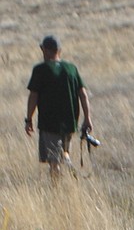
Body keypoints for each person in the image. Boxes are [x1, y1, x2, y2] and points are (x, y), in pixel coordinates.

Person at [24, 35, 95, 183]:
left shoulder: (40, 69)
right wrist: (87, 118)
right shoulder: (71, 69)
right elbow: (83, 95)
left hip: (49, 123)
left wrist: (29, 119)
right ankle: (69, 173)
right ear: (59, 50)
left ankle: (57, 190)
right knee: (64, 153)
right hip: (70, 122)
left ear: (44, 49)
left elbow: (33, 96)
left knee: (54, 161)